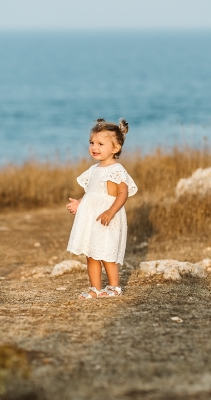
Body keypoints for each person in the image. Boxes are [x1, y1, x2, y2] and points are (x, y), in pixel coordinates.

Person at [66, 118, 138, 299]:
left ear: (115, 148)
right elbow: (92, 193)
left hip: (108, 217)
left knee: (107, 253)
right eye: (91, 143)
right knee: (91, 253)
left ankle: (114, 287)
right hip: (92, 218)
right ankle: (95, 288)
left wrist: (111, 211)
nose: (94, 147)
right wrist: (79, 203)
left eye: (100, 143)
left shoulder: (117, 169)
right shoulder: (94, 169)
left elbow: (123, 192)